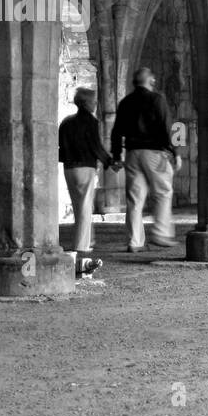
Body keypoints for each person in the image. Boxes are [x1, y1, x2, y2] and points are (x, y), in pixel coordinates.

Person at [111, 67, 182, 252]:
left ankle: (134, 242)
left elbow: (116, 131)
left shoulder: (126, 102)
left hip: (133, 154)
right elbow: (167, 127)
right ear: (151, 81)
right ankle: (161, 233)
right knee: (163, 192)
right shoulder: (156, 99)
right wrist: (175, 152)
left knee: (134, 199)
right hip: (154, 153)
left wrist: (117, 155)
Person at [58, 88, 112, 267]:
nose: (95, 104)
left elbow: (60, 147)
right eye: (93, 101)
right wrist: (109, 162)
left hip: (68, 168)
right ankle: (81, 245)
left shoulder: (65, 122)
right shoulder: (91, 121)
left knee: (78, 206)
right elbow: (95, 146)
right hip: (85, 167)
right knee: (84, 208)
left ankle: (90, 239)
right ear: (86, 103)